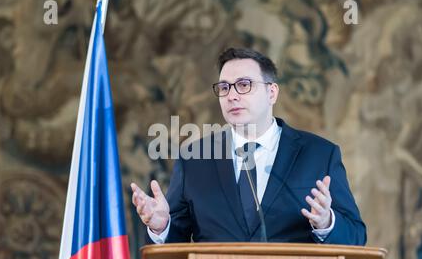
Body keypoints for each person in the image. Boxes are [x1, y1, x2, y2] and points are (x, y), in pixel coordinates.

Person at [130, 47, 366, 245]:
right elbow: (176, 245)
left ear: (271, 92)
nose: (232, 96)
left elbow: (356, 236)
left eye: (244, 85)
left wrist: (326, 223)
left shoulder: (319, 154)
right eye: (224, 88)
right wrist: (162, 227)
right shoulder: (194, 159)